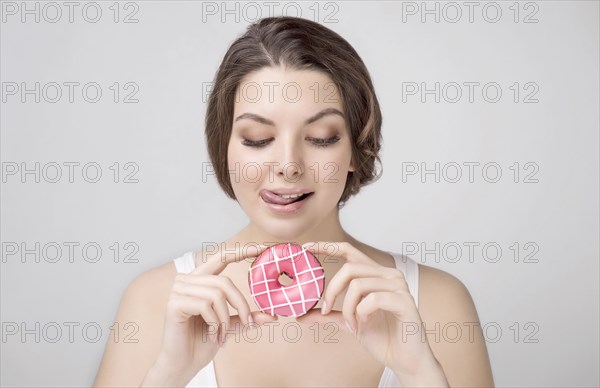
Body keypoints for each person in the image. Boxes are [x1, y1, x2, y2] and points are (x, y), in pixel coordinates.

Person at [93, 16, 494, 387]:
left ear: (356, 149)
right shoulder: (155, 301)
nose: (288, 165)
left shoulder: (435, 303)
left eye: (321, 137)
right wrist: (168, 374)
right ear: (226, 148)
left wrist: (420, 372)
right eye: (257, 139)